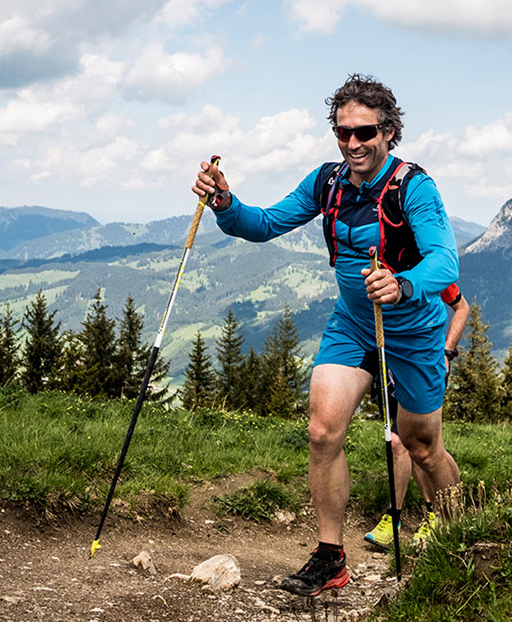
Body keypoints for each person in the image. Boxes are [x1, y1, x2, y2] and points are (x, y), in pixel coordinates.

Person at [192, 74, 461, 597]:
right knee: (322, 431)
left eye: (364, 132)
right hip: (354, 324)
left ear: (388, 131)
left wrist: (403, 284)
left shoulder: (413, 187)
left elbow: (445, 262)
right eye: (343, 133)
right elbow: (265, 223)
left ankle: (463, 536)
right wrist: (226, 204)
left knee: (421, 446)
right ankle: (330, 557)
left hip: (413, 329)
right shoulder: (328, 181)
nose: (353, 143)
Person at [364, 284, 469, 550]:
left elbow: (461, 307)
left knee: (425, 449)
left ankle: (441, 513)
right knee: (397, 442)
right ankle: (394, 517)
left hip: (421, 366)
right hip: (386, 366)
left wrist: (447, 352)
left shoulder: (428, 270)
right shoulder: (372, 264)